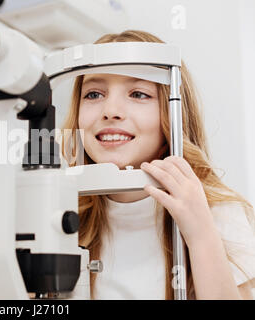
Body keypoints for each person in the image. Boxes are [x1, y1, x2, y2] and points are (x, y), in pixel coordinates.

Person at [61, 30, 255, 299]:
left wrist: (200, 234)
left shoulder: (218, 212)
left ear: (173, 113)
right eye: (94, 94)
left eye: (138, 94)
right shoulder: (61, 214)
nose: (111, 110)